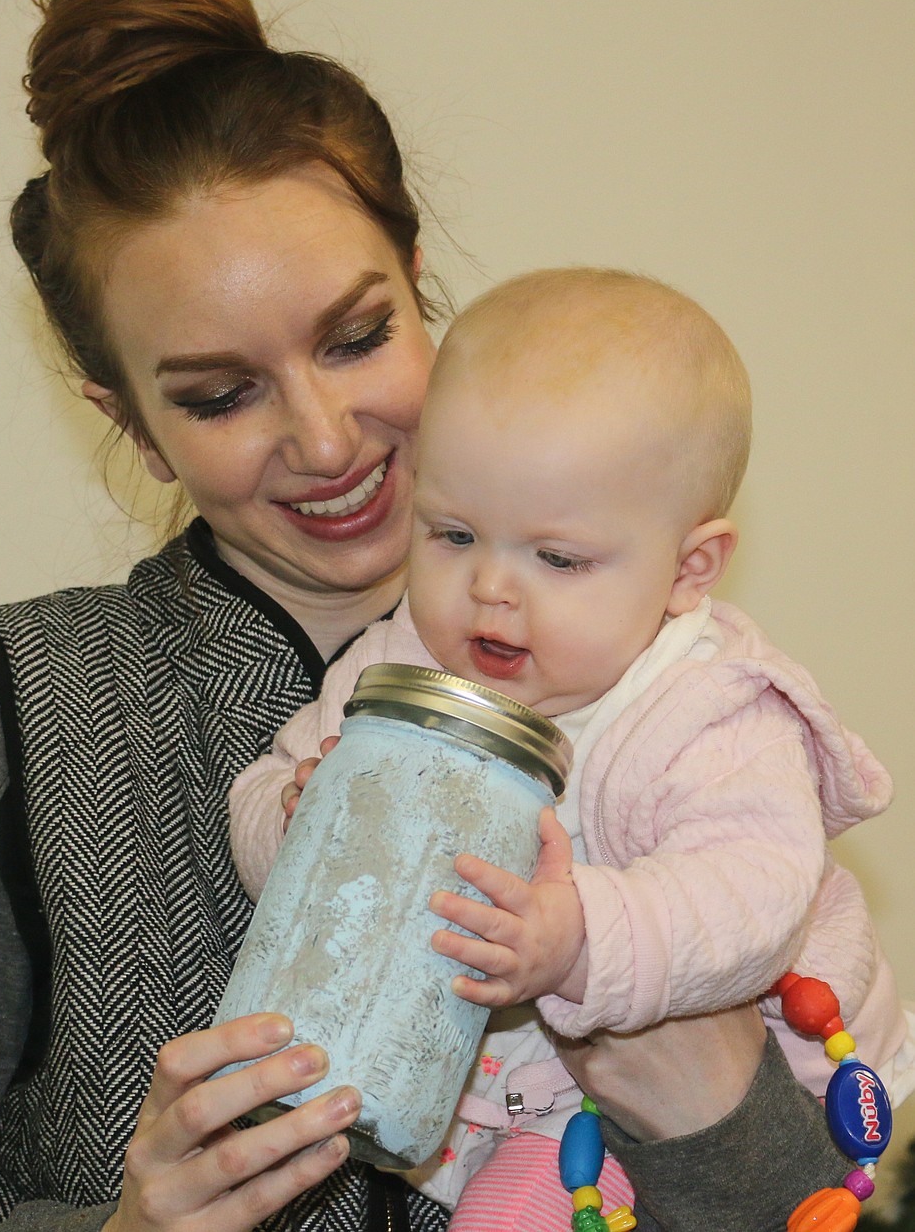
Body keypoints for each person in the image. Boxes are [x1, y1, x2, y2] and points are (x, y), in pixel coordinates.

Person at [0, 0, 876, 1232]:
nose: (329, 438)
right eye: (220, 393)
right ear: (125, 417)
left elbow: (846, 1183)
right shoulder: (22, 712)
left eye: (357, 337)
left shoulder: (678, 682)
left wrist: (710, 1105)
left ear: (421, 288)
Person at [228, 267, 915, 1228]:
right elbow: (267, 783)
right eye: (454, 534)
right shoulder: (398, 661)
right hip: (495, 1102)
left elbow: (756, 891)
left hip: (718, 1082)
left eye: (558, 559)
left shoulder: (706, 705)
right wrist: (300, 820)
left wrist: (581, 936)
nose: (492, 590)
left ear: (689, 569)